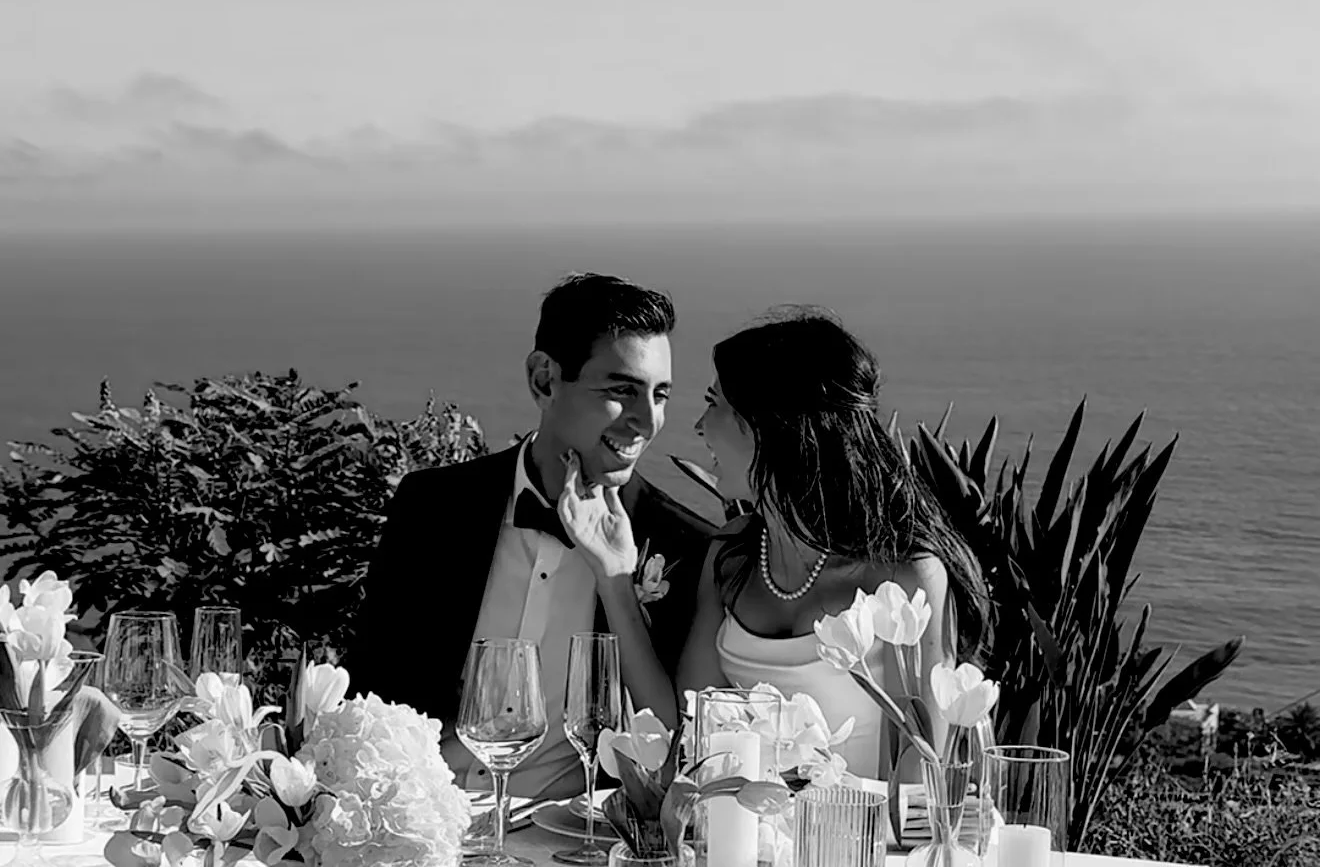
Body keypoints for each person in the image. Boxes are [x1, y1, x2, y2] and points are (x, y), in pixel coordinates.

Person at [351, 271, 713, 801]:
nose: (646, 421)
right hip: (416, 814)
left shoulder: (682, 545)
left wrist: (617, 583)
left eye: (660, 395)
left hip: (565, 846)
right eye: (621, 390)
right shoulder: (434, 507)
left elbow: (673, 746)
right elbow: (370, 686)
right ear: (544, 379)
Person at [677, 312, 990, 790]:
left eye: (713, 404)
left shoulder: (905, 576)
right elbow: (693, 735)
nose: (699, 427)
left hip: (853, 853)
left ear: (767, 424)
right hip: (734, 847)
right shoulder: (731, 557)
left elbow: (921, 781)